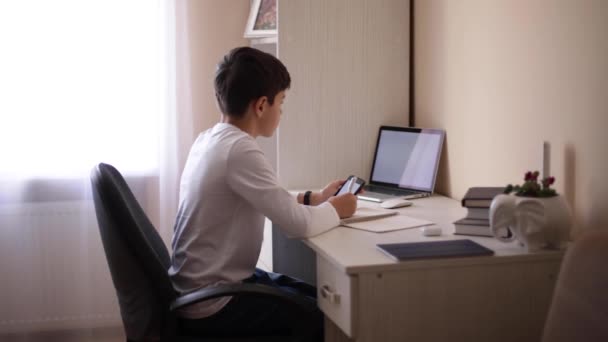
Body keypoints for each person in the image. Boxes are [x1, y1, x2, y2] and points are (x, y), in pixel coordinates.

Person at [169, 46, 358, 339]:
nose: (281, 112)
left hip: (203, 290)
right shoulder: (240, 149)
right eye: (281, 102)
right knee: (330, 320)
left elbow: (265, 198)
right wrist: (338, 208)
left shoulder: (209, 140)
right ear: (261, 106)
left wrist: (314, 199)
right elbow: (300, 225)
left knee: (320, 301)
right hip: (216, 304)